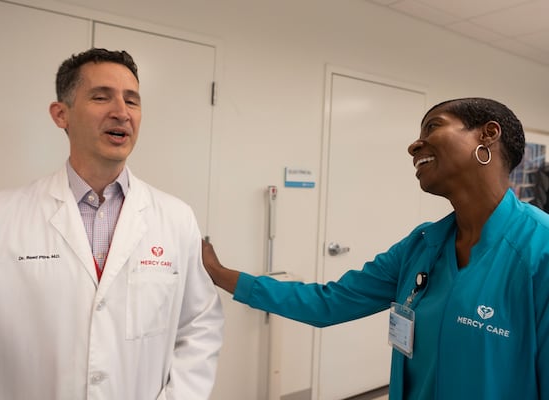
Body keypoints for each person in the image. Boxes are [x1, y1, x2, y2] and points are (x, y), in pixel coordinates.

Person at [201, 98, 549, 399]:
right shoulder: (423, 245)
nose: (414, 146)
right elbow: (328, 303)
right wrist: (222, 275)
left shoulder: (539, 250)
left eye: (432, 127)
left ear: (487, 135)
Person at [0, 48, 224, 400]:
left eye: (132, 101)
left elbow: (200, 324)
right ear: (61, 114)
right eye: (101, 97)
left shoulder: (176, 217)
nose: (121, 113)